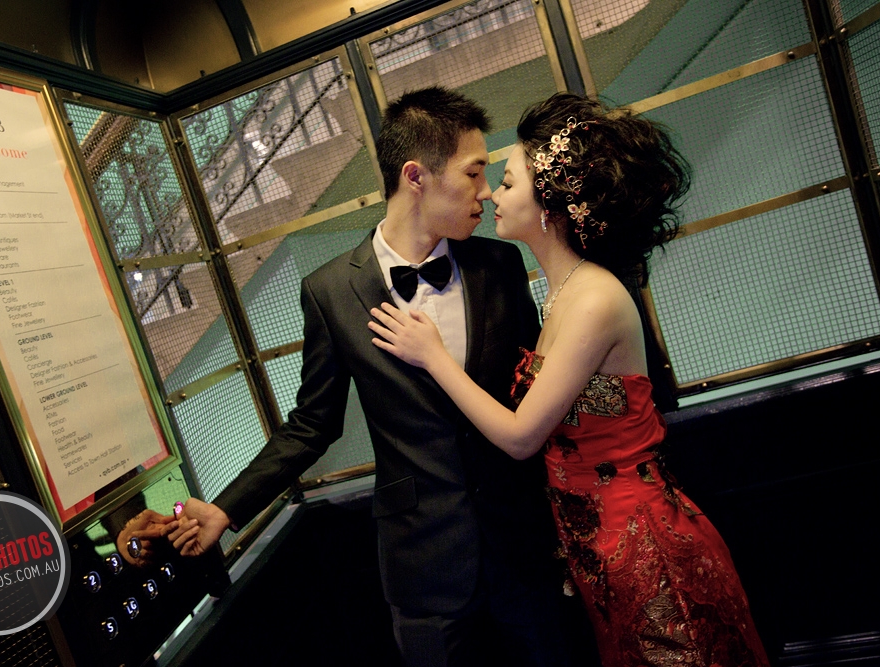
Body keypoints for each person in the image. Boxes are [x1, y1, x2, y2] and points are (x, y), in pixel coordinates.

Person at [167, 87, 584, 666]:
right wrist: (228, 508)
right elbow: (312, 424)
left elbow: (536, 387)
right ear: (416, 177)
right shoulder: (330, 291)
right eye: (473, 173)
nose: (486, 191)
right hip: (422, 563)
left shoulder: (500, 263)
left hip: (523, 544)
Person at [368, 93, 770, 667]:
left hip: (642, 543)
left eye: (508, 182)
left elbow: (521, 436)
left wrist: (434, 357)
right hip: (596, 546)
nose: (492, 193)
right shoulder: (563, 294)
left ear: (551, 205)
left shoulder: (593, 300)